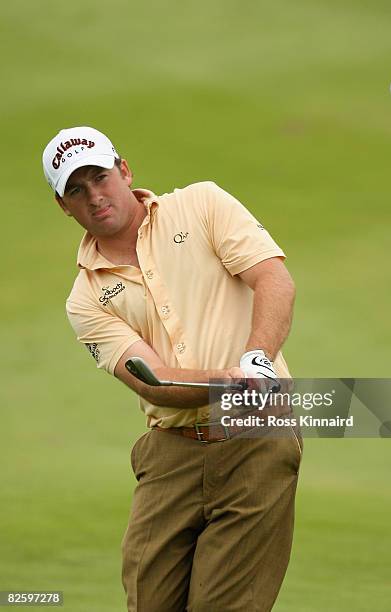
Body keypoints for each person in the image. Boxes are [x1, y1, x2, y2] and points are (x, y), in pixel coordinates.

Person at [42, 126, 302, 612]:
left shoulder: (202, 204)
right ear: (64, 205)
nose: (95, 197)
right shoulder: (85, 300)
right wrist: (235, 382)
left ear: (124, 170)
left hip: (255, 439)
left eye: (100, 177)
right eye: (76, 190)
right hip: (169, 456)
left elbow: (273, 278)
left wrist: (257, 360)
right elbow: (154, 382)